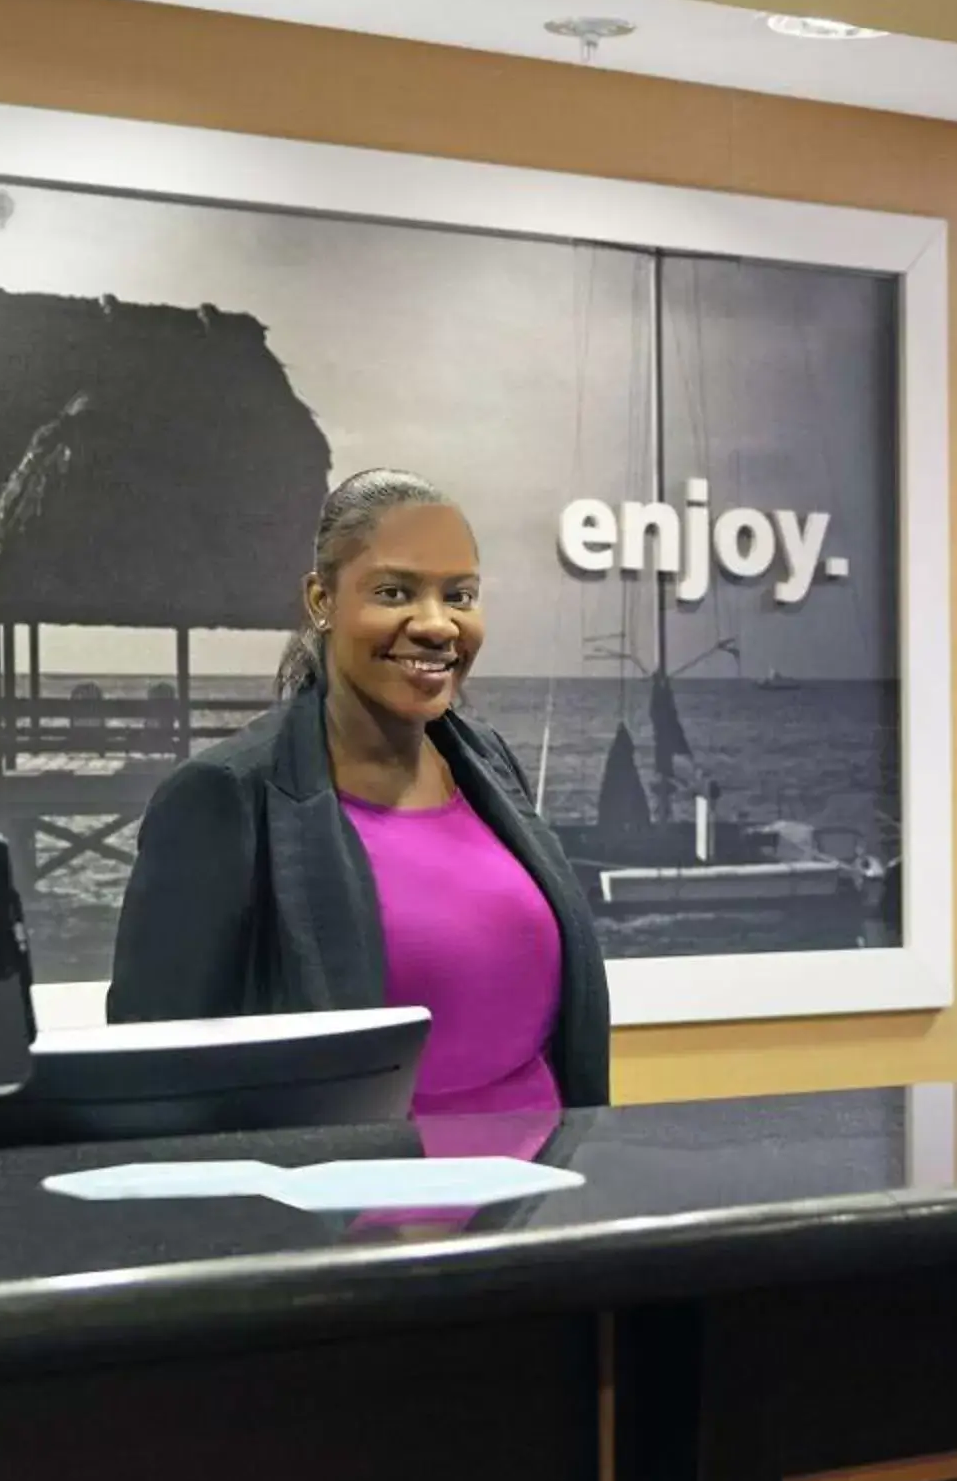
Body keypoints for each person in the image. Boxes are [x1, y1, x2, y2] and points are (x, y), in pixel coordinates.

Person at [108, 469, 611, 1111]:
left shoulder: (488, 762)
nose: (437, 624)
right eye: (395, 591)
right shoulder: (222, 796)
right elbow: (151, 1076)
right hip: (355, 1204)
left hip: (549, 1195)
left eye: (460, 595)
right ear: (322, 600)